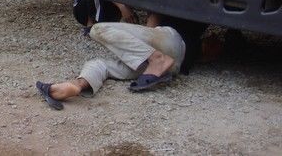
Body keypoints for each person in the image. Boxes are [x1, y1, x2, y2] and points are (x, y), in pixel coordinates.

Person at [36, 16, 207, 110]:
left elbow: (152, 24)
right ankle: (78, 84)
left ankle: (157, 59)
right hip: (173, 66)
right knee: (101, 64)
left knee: (97, 29)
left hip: (170, 39)